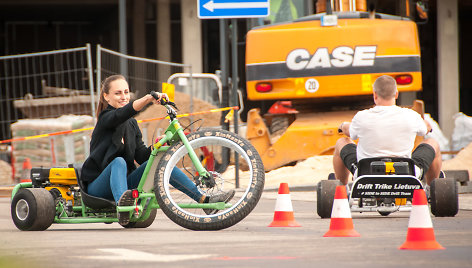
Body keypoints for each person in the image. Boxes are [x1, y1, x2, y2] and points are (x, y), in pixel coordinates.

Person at [80, 75, 234, 225]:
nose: (123, 97)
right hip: (97, 187)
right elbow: (121, 114)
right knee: (118, 162)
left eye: (126, 92)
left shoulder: (132, 125)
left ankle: (204, 200)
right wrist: (148, 98)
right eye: (118, 93)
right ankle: (124, 209)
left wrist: (157, 146)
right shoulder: (105, 118)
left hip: (123, 184)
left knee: (161, 163)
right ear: (106, 97)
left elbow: (141, 156)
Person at [333, 75, 442, 186]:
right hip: (406, 172)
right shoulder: (411, 116)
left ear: (374, 95)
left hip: (366, 173)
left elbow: (349, 132)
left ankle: (342, 189)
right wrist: (428, 127)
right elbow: (426, 129)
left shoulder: (361, 117)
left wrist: (342, 125)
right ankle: (431, 189)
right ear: (396, 94)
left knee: (342, 142)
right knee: (432, 143)